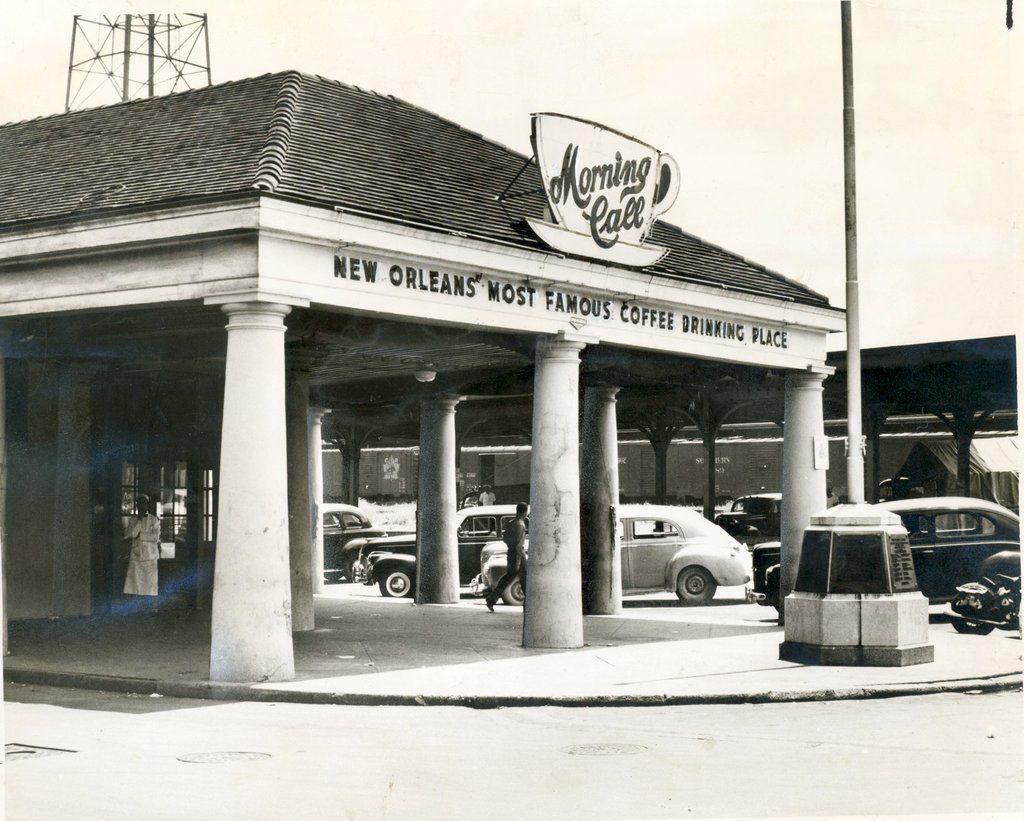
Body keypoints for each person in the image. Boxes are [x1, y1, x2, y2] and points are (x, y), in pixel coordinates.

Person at [486, 502, 527, 611]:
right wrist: (519, 560)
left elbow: (505, 539)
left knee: (510, 578)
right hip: (519, 555)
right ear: (525, 512)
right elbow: (518, 545)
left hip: (511, 553)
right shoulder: (521, 525)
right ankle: (491, 599)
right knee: (522, 579)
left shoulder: (511, 523)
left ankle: (491, 599)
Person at [123, 494, 161, 601]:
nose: (142, 506)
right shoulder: (133, 520)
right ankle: (136, 606)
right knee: (135, 584)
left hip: (150, 557)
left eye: (144, 503)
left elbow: (155, 536)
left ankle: (150, 606)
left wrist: (142, 536)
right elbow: (131, 534)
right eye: (139, 503)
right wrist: (139, 521)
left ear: (147, 505)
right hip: (136, 555)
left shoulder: (154, 520)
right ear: (137, 505)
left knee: (150, 584)